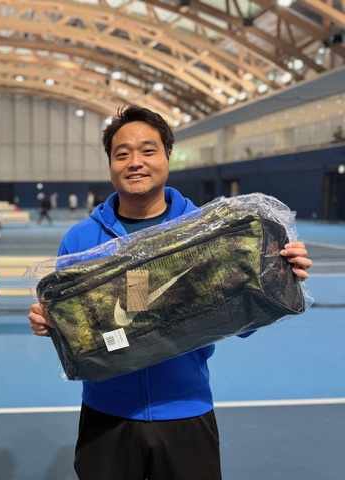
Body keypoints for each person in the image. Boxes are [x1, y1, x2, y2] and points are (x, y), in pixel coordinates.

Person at [28, 104, 312, 480]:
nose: (135, 162)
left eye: (148, 150)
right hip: (106, 416)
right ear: (110, 163)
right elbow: (75, 329)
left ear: (167, 156)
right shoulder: (81, 239)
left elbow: (243, 321)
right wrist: (48, 321)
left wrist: (279, 275)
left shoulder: (210, 231)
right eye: (122, 154)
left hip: (187, 411)